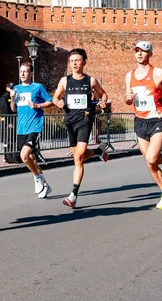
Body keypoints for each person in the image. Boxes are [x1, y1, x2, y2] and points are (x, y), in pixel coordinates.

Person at [125, 41, 162, 210]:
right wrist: (128, 99)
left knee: (151, 158)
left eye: (143, 51)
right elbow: (127, 99)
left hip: (157, 119)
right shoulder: (129, 76)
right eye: (137, 51)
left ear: (149, 54)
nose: (139, 54)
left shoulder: (158, 73)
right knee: (151, 162)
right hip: (139, 121)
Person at [52, 49, 111, 209]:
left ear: (84, 62)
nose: (75, 63)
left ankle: (73, 195)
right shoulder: (64, 81)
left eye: (78, 60)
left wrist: (103, 102)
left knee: (78, 158)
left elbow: (103, 94)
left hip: (85, 120)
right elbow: (55, 97)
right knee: (79, 157)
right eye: (72, 61)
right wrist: (58, 103)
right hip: (70, 121)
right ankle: (99, 152)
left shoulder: (90, 81)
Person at [9, 62, 54, 198]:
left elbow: (50, 101)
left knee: (24, 156)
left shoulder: (37, 87)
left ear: (31, 73)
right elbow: (13, 108)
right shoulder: (16, 89)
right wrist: (12, 98)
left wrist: (37, 105)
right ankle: (45, 185)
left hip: (35, 126)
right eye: (21, 71)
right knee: (32, 160)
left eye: (26, 71)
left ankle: (37, 178)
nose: (22, 74)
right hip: (21, 129)